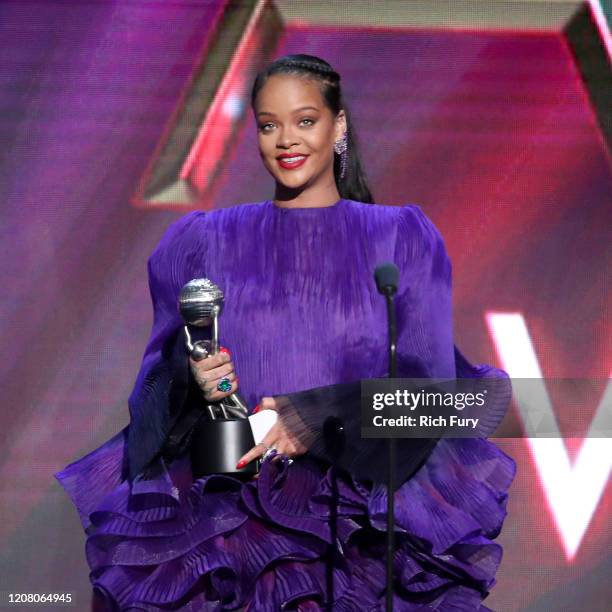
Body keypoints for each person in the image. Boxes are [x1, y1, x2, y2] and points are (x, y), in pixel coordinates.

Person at [55, 54, 516, 611]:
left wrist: (323, 415)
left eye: (305, 120)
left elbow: (435, 396)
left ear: (338, 125)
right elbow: (148, 410)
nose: (285, 140)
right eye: (269, 125)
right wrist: (191, 375)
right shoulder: (203, 241)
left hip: (356, 535)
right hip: (226, 528)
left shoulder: (399, 237)